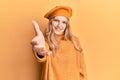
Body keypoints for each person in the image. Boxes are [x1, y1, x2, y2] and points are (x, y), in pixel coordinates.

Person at [31, 6, 87, 80]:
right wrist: (40, 53)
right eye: (56, 20)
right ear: (51, 22)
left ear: (67, 25)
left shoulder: (75, 41)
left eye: (64, 22)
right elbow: (43, 53)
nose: (59, 25)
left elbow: (82, 68)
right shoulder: (46, 41)